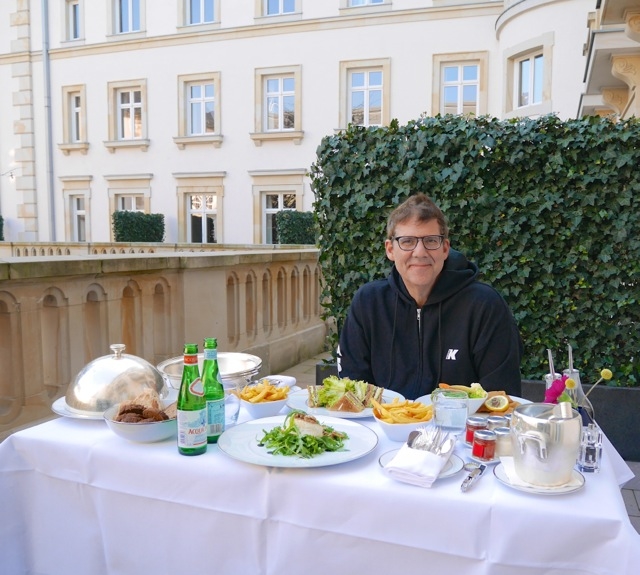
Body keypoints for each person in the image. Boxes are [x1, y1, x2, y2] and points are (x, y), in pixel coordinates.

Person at [337, 193, 523, 400]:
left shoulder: (484, 306)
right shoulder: (368, 303)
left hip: (461, 430)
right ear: (390, 250)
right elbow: (353, 389)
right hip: (383, 428)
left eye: (431, 241)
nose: (420, 252)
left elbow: (500, 396)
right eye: (407, 241)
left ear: (445, 248)